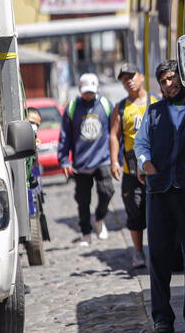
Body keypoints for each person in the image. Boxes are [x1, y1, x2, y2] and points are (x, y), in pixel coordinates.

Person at [134, 60, 185, 333]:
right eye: (164, 81)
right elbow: (141, 143)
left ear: (182, 78)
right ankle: (162, 318)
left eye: (172, 79)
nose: (169, 85)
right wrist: (145, 162)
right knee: (158, 256)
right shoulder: (154, 112)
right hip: (160, 192)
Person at [58, 73, 115, 247]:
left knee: (107, 191)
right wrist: (64, 160)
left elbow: (114, 132)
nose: (88, 95)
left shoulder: (105, 105)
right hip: (81, 163)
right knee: (83, 201)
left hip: (102, 159)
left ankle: (99, 218)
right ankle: (85, 233)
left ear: (96, 89)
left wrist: (116, 159)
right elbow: (65, 136)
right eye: (85, 92)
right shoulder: (72, 107)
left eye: (91, 91)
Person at [109, 63, 158, 269]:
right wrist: (114, 161)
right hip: (130, 169)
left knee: (157, 211)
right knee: (135, 212)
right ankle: (138, 252)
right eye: (124, 78)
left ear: (141, 76)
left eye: (131, 76)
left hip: (154, 168)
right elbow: (114, 135)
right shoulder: (121, 107)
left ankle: (158, 250)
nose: (128, 81)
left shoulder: (155, 102)